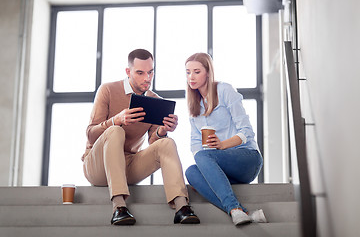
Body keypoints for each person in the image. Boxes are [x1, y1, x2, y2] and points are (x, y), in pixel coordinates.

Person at [82, 49, 200, 225]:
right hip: (97, 167)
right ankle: (119, 207)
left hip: (128, 166)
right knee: (116, 131)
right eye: (140, 73)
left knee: (167, 143)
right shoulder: (108, 90)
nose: (147, 78)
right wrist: (116, 120)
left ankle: (182, 207)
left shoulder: (154, 100)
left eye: (150, 72)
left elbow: (154, 141)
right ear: (128, 72)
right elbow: (91, 135)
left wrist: (161, 131)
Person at [184, 52, 266, 226]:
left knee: (202, 157)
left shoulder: (224, 90)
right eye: (188, 72)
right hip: (222, 167)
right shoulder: (194, 106)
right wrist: (206, 167)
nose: (191, 77)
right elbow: (195, 144)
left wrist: (222, 145)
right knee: (191, 171)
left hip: (247, 159)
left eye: (197, 71)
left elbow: (247, 132)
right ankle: (241, 212)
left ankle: (235, 208)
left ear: (208, 72)